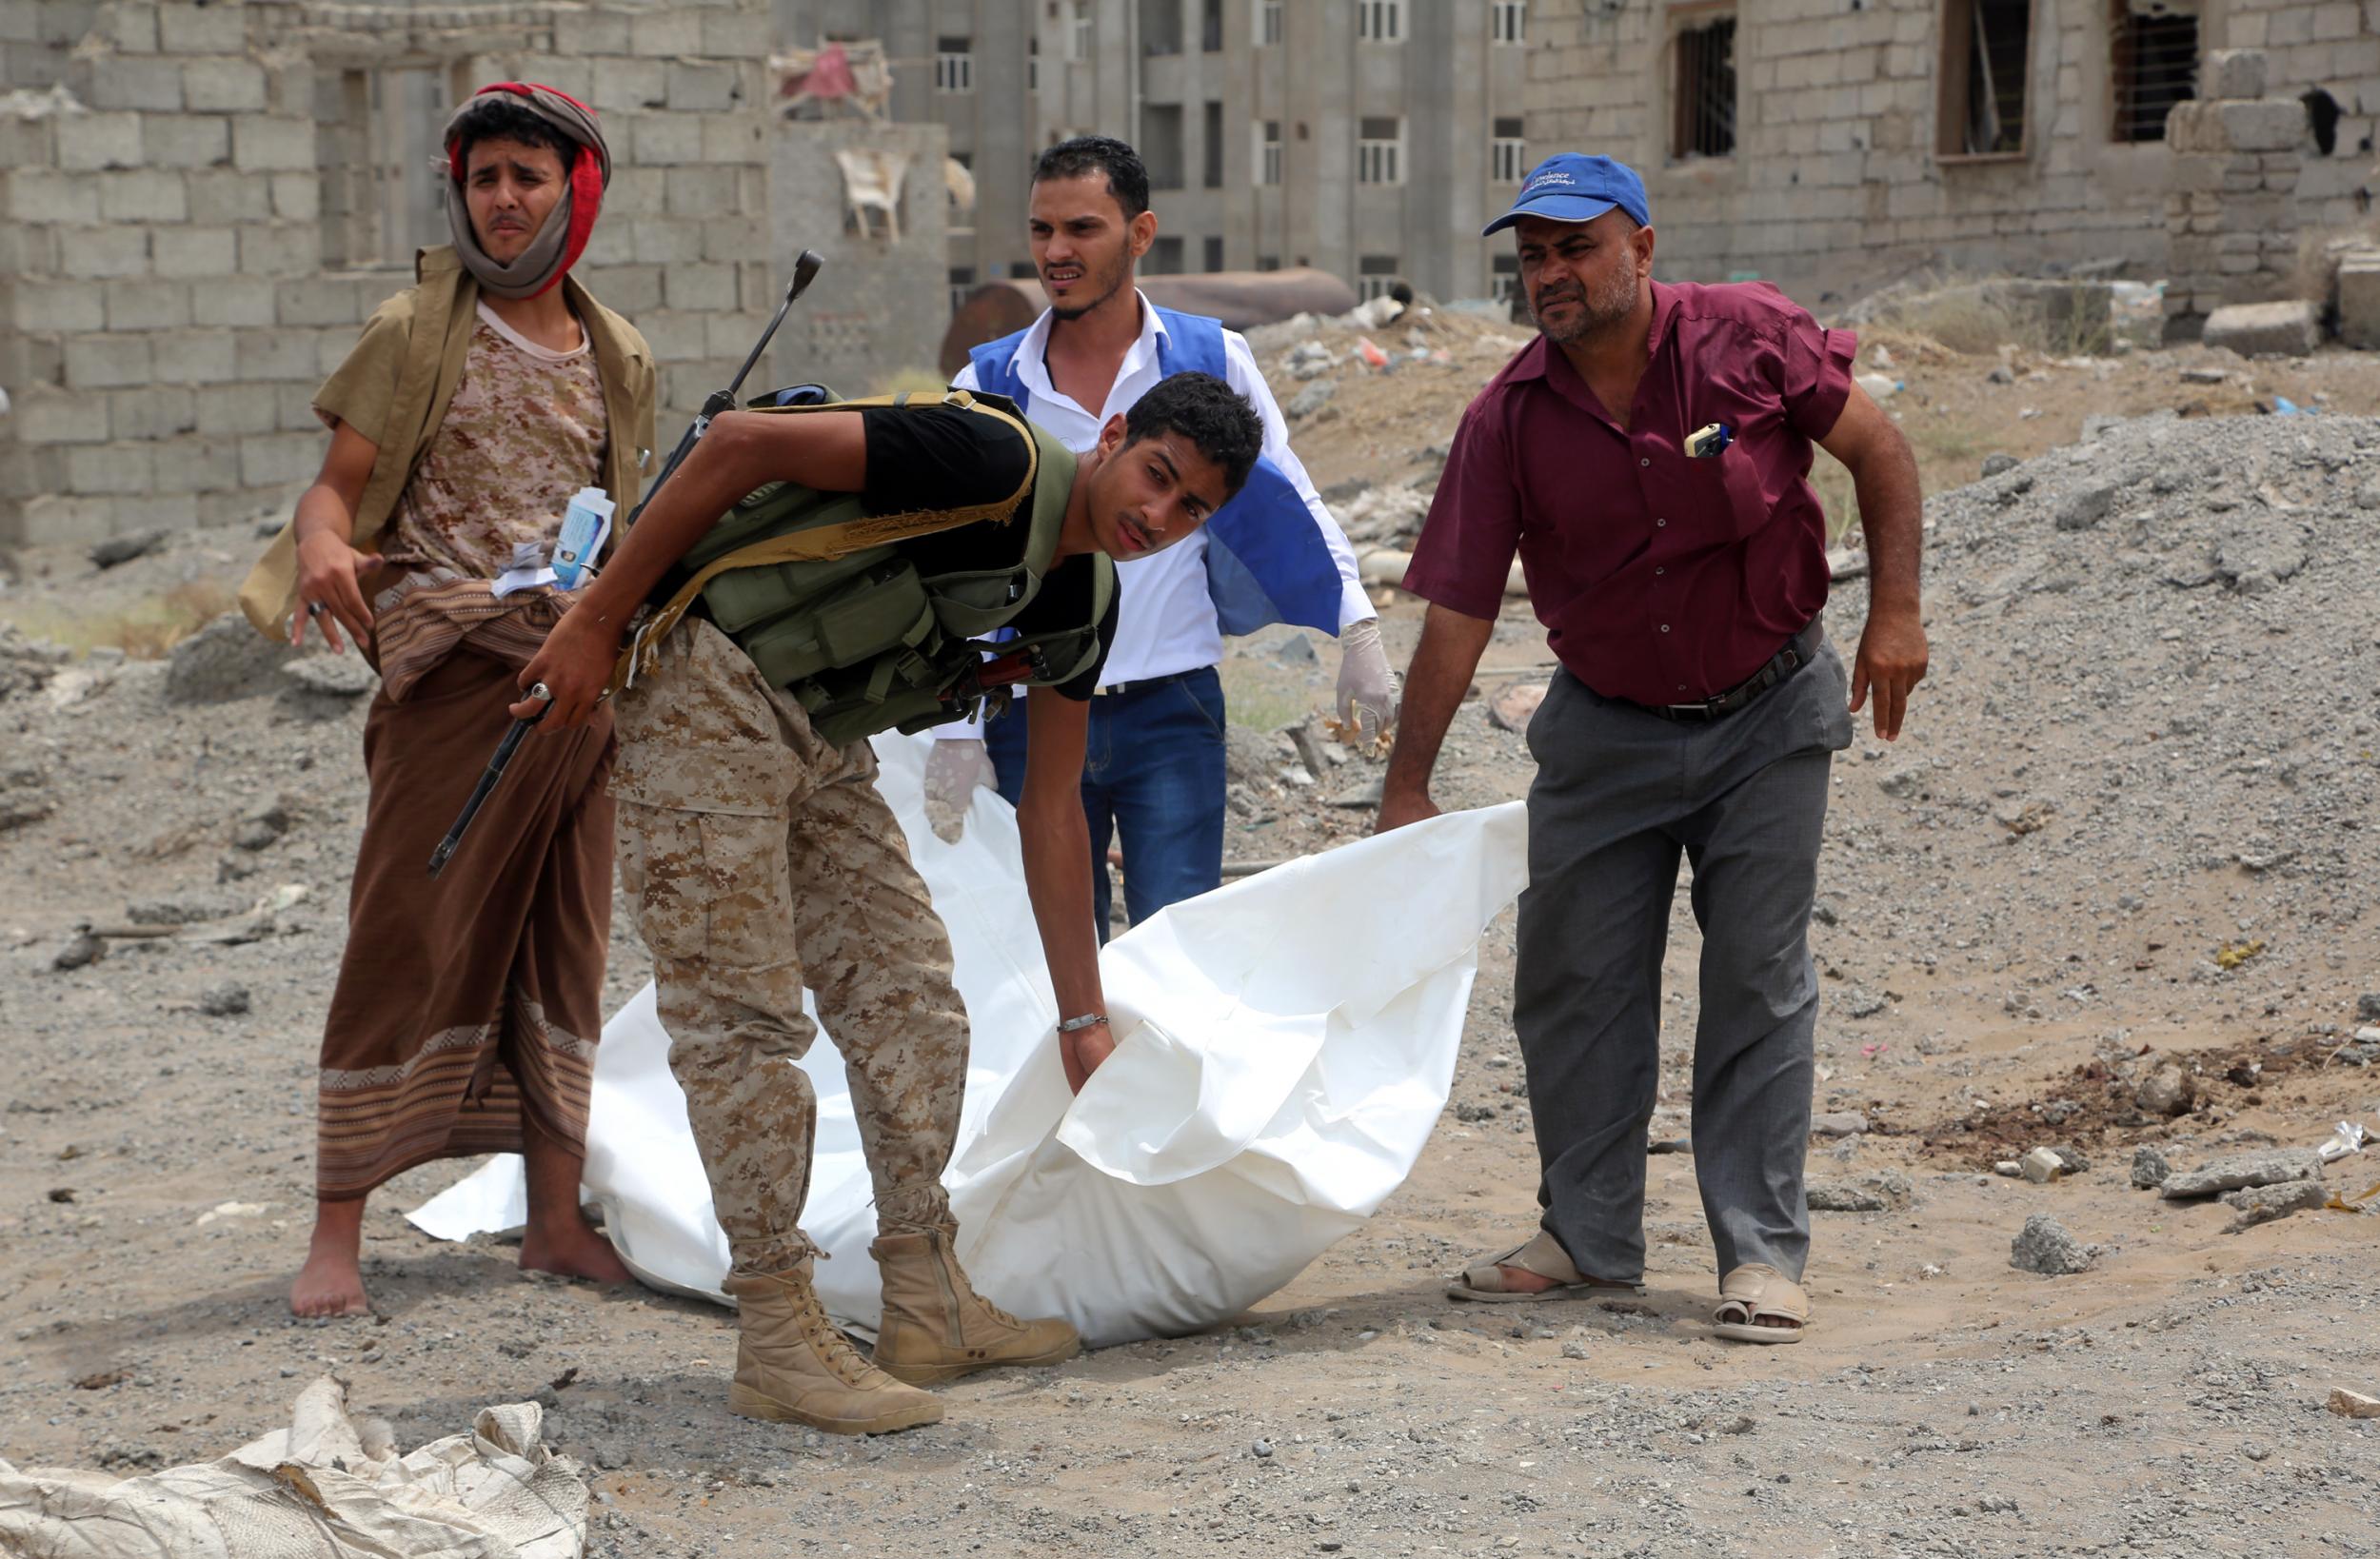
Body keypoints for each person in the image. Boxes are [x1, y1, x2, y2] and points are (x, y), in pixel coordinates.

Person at [514, 371, 1267, 1433]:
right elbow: (734, 442)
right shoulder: (994, 463)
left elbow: (1055, 812)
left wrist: (1082, 1016)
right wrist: (595, 622)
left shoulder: (1080, 599)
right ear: (1110, 437)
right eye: (1156, 475)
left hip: (817, 737)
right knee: (744, 1020)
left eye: (1191, 508)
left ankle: (925, 1296)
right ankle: (777, 1329)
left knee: (911, 995)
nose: (1156, 514)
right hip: (703, 684)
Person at [1376, 154, 1929, 1346]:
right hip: (1606, 727)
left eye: (1574, 247)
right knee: (1571, 982)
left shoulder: (1748, 337)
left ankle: (1762, 1256)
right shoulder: (1508, 416)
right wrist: (1405, 784)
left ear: (1640, 246)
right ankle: (1586, 1237)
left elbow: (1878, 453)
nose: (1550, 274)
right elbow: (1461, 609)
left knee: (1755, 979)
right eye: (1531, 256)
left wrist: (1895, 611)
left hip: (1769, 711)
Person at [234, 84, 653, 1318]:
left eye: (527, 175)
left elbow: (630, 518)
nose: (505, 199)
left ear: (576, 191)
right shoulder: (417, 330)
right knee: (402, 930)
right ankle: (335, 1234)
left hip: (573, 683)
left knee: (564, 936)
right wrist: (320, 549)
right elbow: (334, 491)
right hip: (447, 672)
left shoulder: (617, 352)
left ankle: (555, 1217)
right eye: (485, 179)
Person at [923, 135, 1393, 938]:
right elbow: (951, 565)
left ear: (1140, 234)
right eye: (1042, 232)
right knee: (1048, 966)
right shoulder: (989, 387)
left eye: (1082, 229)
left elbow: (1291, 497)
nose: (1056, 252)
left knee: (1177, 962)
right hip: (1030, 712)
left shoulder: (1214, 360)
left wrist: (1358, 627)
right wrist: (957, 732)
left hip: (1171, 714)